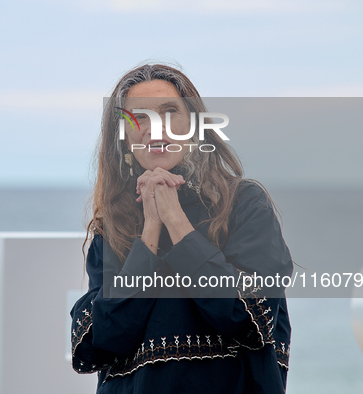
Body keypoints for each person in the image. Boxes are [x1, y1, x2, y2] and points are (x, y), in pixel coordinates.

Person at [70, 63, 293, 393]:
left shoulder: (243, 203)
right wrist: (149, 231)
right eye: (139, 117)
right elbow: (97, 342)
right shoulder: (115, 227)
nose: (154, 128)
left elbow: (246, 316)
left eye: (169, 112)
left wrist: (175, 221)